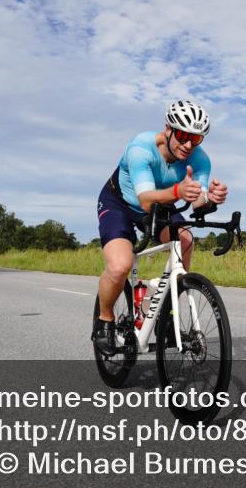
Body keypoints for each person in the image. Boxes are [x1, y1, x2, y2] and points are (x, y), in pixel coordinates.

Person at [93, 99, 228, 354]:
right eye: (183, 135)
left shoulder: (200, 161)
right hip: (120, 204)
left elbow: (197, 200)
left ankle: (163, 310)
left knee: (185, 241)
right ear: (168, 129)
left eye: (196, 139)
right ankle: (105, 320)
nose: (189, 144)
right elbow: (145, 200)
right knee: (120, 265)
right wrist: (178, 190)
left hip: (163, 204)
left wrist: (211, 198)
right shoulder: (141, 149)